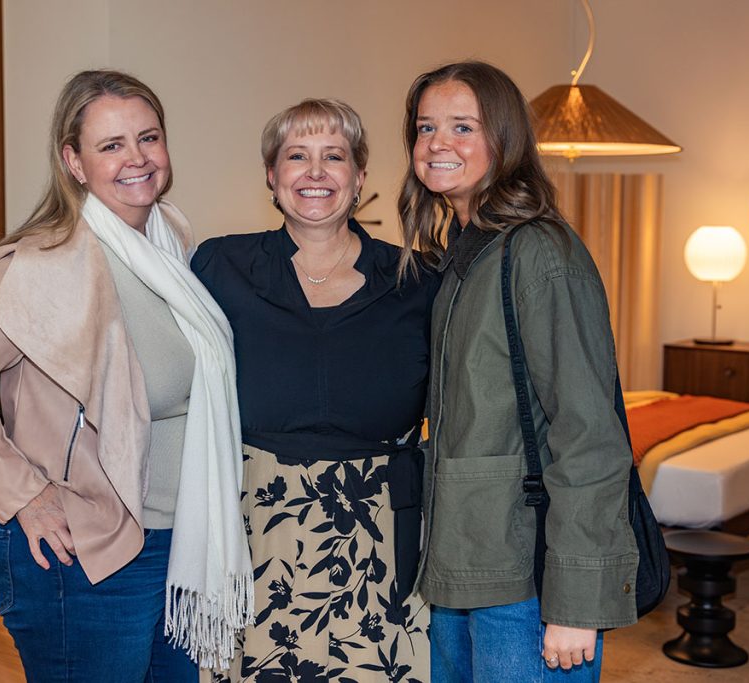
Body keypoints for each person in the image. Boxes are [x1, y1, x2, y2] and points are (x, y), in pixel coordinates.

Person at [0, 69, 252, 682]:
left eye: (148, 138)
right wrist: (25, 495)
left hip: (177, 540)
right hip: (83, 548)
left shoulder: (170, 240)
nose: (137, 158)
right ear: (74, 162)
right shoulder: (41, 263)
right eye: (111, 145)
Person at [398, 61, 640, 682]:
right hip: (460, 565)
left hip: (526, 579)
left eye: (463, 126)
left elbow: (589, 433)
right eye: (426, 127)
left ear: (504, 139)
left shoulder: (539, 253)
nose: (438, 143)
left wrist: (577, 602)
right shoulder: (465, 256)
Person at [192, 99, 437, 682]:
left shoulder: (418, 279)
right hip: (254, 527)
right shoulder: (221, 266)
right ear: (271, 176)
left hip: (381, 534)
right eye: (297, 156)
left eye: (335, 156)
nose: (316, 172)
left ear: (359, 176)